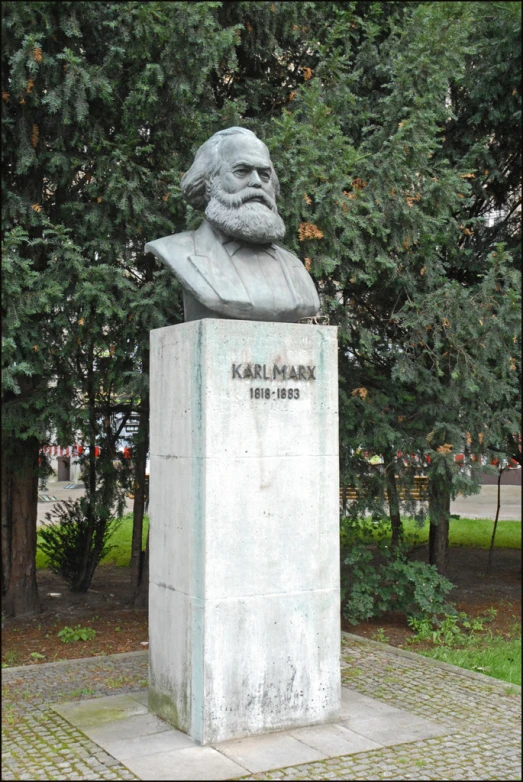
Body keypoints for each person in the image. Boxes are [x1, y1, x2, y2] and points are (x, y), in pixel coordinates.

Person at [145, 127, 320, 322]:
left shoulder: (295, 268)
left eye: (264, 175)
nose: (256, 183)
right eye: (241, 171)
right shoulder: (178, 252)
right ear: (209, 182)